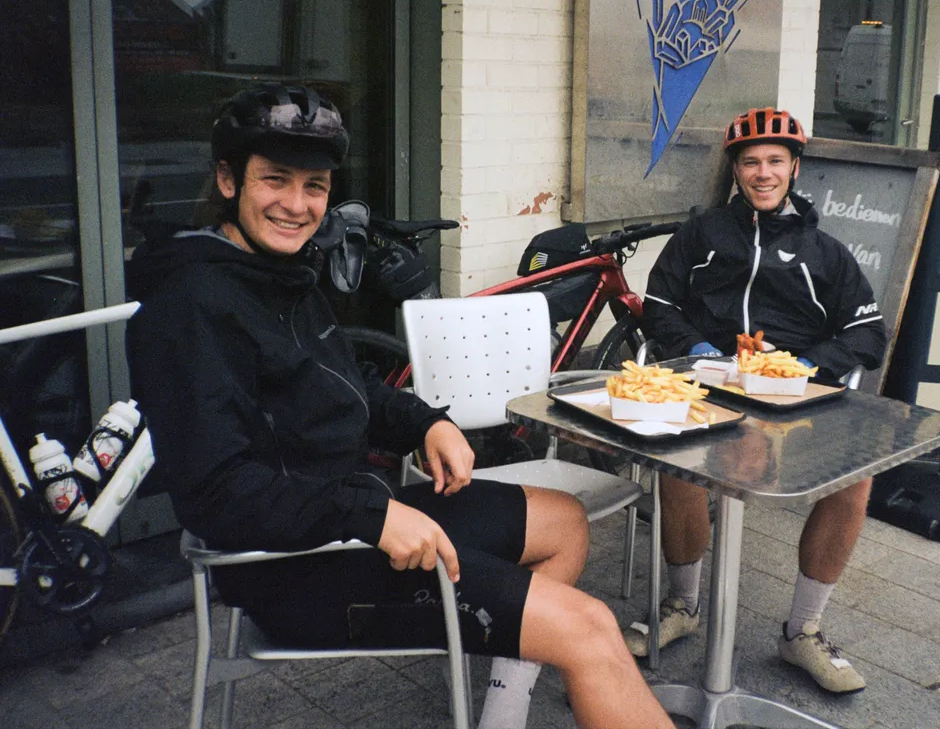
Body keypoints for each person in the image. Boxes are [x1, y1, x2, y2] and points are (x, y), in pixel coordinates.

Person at [126, 83, 673, 729]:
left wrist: (426, 422)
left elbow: (342, 381)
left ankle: (501, 714)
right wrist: (371, 514)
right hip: (294, 569)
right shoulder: (188, 309)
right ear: (227, 180)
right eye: (275, 180)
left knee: (566, 522)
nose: (297, 205)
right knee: (590, 628)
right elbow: (216, 495)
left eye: (314, 186)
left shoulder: (279, 274)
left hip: (349, 519)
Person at [629, 106, 887, 694]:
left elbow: (867, 332)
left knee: (855, 481)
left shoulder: (825, 251)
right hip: (710, 381)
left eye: (775, 161)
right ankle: (683, 605)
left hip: (797, 392)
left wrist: (803, 368)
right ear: (736, 170)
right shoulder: (702, 234)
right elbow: (659, 304)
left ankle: (803, 630)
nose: (763, 173)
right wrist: (698, 349)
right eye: (751, 162)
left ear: (795, 168)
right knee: (676, 464)